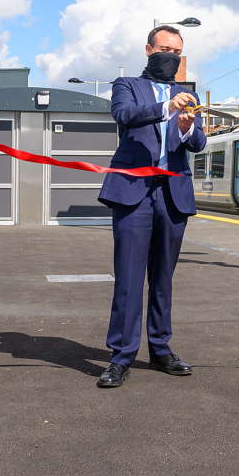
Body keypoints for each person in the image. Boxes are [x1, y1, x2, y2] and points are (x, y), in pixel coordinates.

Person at [96, 25, 207, 388]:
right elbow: (124, 116)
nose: (170, 57)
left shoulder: (187, 94)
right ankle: (121, 357)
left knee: (163, 278)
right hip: (133, 192)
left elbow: (199, 144)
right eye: (164, 49)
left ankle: (160, 349)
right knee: (129, 278)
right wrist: (165, 108)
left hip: (173, 193)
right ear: (148, 49)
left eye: (176, 52)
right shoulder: (126, 86)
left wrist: (189, 127)